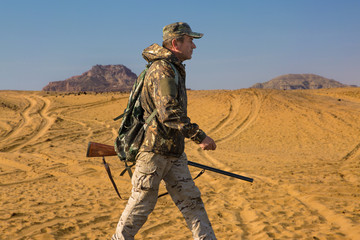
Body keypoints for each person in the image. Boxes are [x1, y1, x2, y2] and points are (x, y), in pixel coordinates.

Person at [112, 22, 217, 240]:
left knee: (192, 203)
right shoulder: (163, 69)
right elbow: (169, 113)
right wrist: (199, 136)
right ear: (175, 43)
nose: (194, 46)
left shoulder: (173, 68)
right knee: (140, 207)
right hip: (154, 153)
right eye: (190, 41)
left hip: (173, 154)